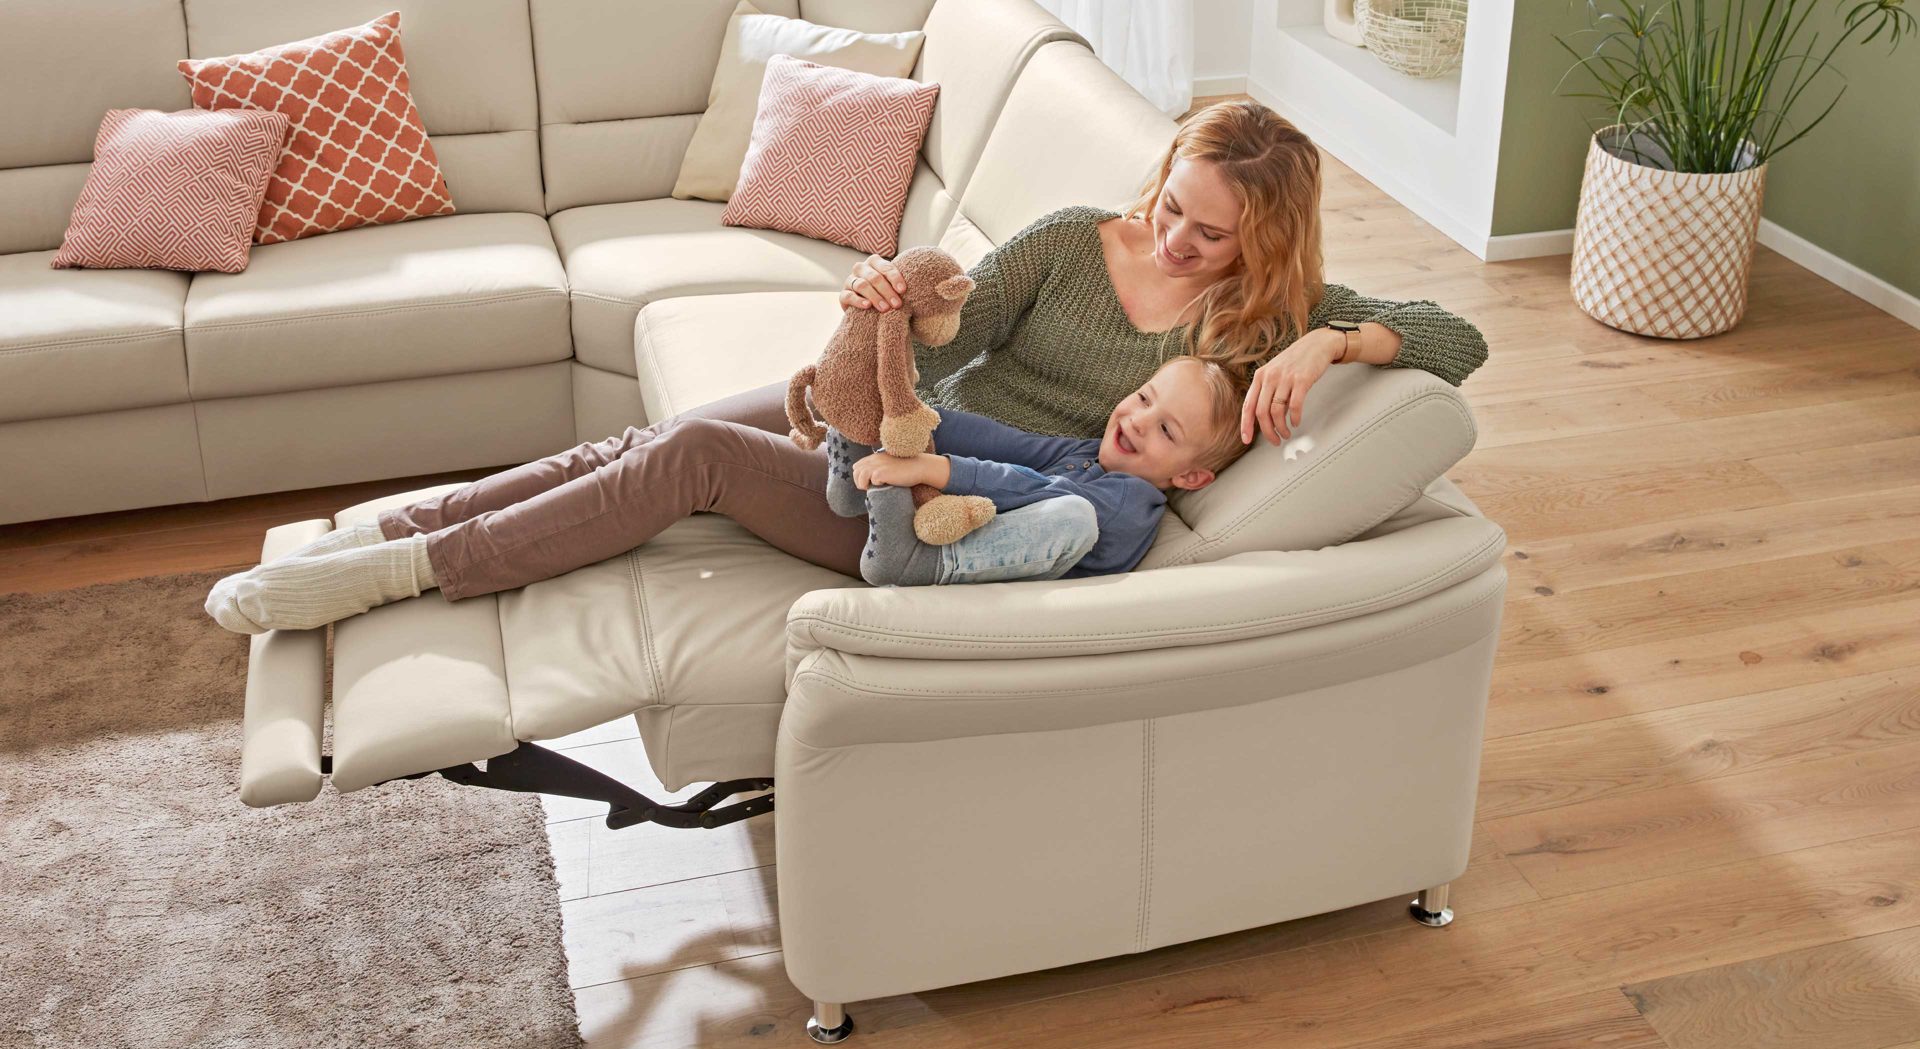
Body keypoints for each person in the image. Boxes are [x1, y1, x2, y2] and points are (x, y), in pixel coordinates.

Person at [203, 100, 1489, 633]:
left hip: (924, 498)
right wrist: (896, 313)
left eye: (1210, 235)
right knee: (644, 443)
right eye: (1171, 208)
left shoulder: (1268, 316)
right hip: (902, 419)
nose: (1175, 242)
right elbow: (953, 341)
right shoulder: (1069, 242)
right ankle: (399, 524)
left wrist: (1328, 335)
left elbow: (1458, 340)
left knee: (691, 456)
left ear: (1264, 239)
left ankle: (403, 576)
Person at [856, 355, 1249, 587]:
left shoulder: (1132, 503)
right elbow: (1011, 444)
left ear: (1190, 477)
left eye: (1166, 430)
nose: (1140, 420)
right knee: (867, 417)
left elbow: (1035, 490)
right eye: (1144, 398)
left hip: (979, 583)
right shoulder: (1091, 454)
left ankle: (924, 563)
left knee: (1073, 515)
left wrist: (939, 469)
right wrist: (917, 419)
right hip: (937, 533)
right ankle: (849, 478)